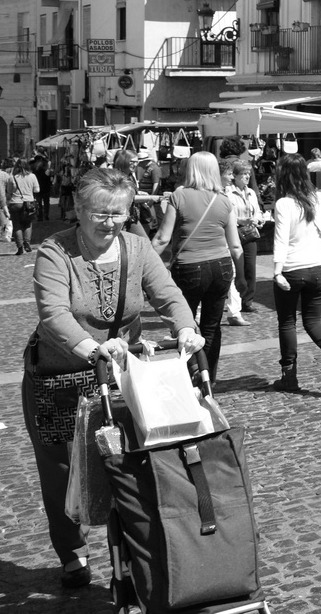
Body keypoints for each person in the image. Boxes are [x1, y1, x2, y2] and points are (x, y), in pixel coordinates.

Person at [23, 168, 203, 589]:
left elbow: (168, 293)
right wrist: (90, 348)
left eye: (118, 213)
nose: (109, 222)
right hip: (58, 377)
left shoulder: (137, 248)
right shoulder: (56, 252)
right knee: (64, 470)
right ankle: (73, 554)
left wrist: (185, 327)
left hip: (121, 375)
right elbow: (54, 314)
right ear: (79, 210)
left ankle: (132, 552)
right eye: (99, 213)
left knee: (129, 463)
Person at [151, 152, 242, 381]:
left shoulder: (179, 196)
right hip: (221, 267)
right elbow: (235, 246)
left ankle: (189, 373)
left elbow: (162, 238)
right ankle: (207, 378)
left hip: (189, 268)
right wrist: (240, 277)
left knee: (184, 324)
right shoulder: (224, 200)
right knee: (212, 326)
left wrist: (144, 264)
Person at [270, 153, 321, 393]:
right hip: (318, 268)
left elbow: (281, 240)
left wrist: (276, 272)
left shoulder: (284, 203)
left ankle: (289, 376)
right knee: (313, 321)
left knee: (287, 322)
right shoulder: (318, 197)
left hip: (292, 269)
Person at [225, 157, 267, 321]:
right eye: (243, 174)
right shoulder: (229, 193)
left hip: (250, 233)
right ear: (235, 176)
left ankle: (247, 301)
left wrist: (258, 218)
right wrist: (242, 220)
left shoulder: (251, 193)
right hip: (234, 232)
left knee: (250, 267)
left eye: (248, 174)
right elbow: (228, 214)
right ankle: (232, 301)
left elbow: (257, 211)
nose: (247, 177)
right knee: (236, 269)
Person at [7, 158, 40, 256]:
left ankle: (20, 247)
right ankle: (27, 243)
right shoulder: (32, 176)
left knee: (17, 226)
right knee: (28, 224)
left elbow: (9, 191)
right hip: (29, 203)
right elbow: (37, 190)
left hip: (15, 203)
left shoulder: (12, 177)